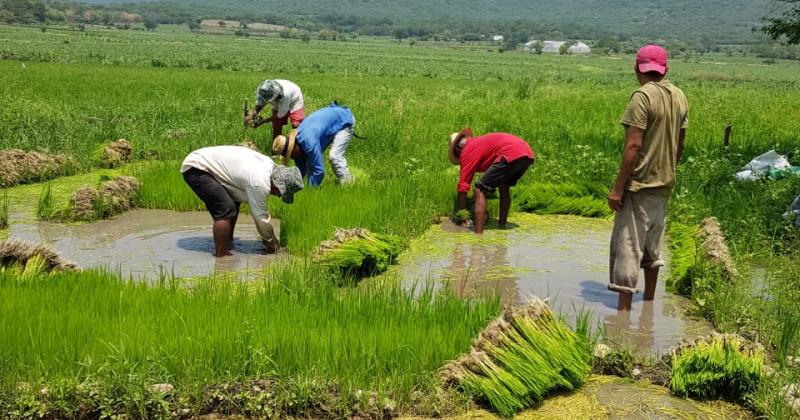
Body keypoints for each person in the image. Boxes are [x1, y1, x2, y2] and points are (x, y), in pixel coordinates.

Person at [607, 44, 689, 311]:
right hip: (664, 185)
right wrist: (668, 170)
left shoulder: (642, 97)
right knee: (652, 248)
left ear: (636, 68)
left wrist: (618, 188)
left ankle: (622, 316)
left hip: (640, 184)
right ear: (665, 69)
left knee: (628, 249)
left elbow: (633, 145)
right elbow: (680, 144)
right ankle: (649, 306)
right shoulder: (679, 96)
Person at [181, 146, 304, 257]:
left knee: (234, 202)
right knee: (225, 209)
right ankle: (221, 258)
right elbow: (260, 219)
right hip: (197, 167)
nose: (278, 196)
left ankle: (227, 243)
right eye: (280, 193)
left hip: (204, 163)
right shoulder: (260, 182)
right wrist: (272, 243)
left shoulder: (269, 166)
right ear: (278, 185)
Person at [448, 128, 535, 234]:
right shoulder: (478, 144)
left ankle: (478, 235)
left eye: (457, 153)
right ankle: (502, 225)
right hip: (526, 154)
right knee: (504, 185)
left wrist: (460, 215)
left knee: (479, 189)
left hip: (510, 153)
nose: (459, 157)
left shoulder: (467, 150)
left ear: (458, 147)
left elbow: (463, 186)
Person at [271, 102, 356, 186]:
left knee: (334, 156)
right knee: (309, 163)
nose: (292, 158)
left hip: (343, 121)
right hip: (330, 121)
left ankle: (348, 185)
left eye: (290, 154)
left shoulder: (309, 143)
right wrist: (291, 186)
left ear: (294, 147)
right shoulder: (297, 148)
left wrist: (310, 189)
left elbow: (319, 171)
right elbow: (301, 170)